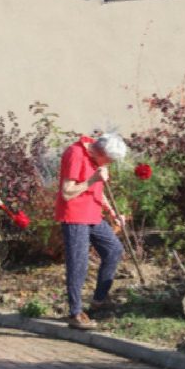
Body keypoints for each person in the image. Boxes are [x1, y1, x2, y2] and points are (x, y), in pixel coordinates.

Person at [55, 133, 127, 330]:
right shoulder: (75, 153)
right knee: (78, 263)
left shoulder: (94, 156)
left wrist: (112, 212)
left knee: (113, 250)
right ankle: (75, 313)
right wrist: (94, 178)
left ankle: (99, 300)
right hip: (75, 216)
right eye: (110, 160)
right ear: (101, 152)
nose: (110, 164)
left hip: (93, 214)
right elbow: (67, 192)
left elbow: (98, 190)